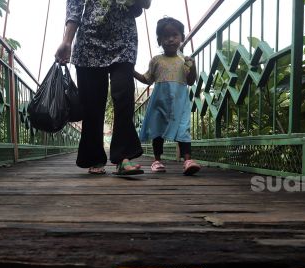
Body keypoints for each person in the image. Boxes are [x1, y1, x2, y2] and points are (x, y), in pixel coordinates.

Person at [55, 0, 151, 175]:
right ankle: (94, 157)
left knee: (124, 97)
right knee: (91, 103)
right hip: (89, 41)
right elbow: (74, 6)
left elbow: (146, 4)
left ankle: (123, 158)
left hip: (124, 40)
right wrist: (67, 41)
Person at [134, 17, 202, 175]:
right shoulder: (156, 60)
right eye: (166, 36)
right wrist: (132, 71)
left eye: (175, 35)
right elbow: (147, 79)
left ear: (182, 37)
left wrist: (193, 67)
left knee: (183, 129)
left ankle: (188, 160)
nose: (170, 39)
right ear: (159, 40)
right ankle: (157, 160)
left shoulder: (185, 61)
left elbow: (191, 81)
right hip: (160, 102)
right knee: (158, 130)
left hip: (180, 102)